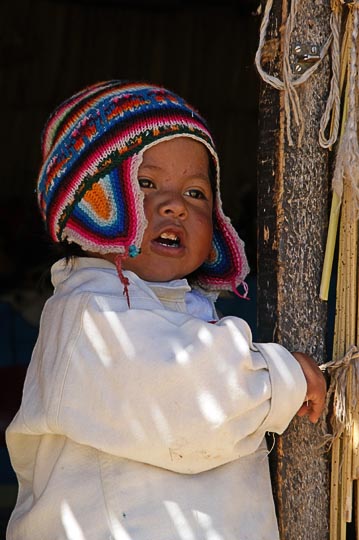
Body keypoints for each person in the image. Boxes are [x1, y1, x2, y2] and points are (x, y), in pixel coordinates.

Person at [6, 81, 326, 540]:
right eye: (146, 183)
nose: (175, 204)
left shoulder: (186, 309)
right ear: (91, 202)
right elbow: (191, 397)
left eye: (196, 193)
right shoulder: (89, 315)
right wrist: (279, 375)